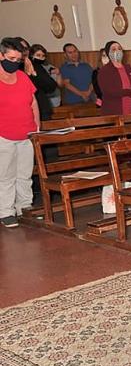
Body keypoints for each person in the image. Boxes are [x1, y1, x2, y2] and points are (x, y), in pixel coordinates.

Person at [0, 37, 39, 228]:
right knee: (6, 175)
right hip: (4, 135)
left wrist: (37, 127)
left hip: (27, 134)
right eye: (11, 58)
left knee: (24, 174)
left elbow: (33, 102)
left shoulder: (22, 77)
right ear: (1, 55)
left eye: (18, 60)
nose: (14, 63)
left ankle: (24, 206)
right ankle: (6, 211)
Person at [17, 38, 57, 122]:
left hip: (41, 108)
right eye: (20, 48)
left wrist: (34, 75)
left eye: (26, 48)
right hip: (21, 111)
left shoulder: (34, 64)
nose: (24, 51)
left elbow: (51, 86)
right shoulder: (10, 67)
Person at [97, 41, 131, 116]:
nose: (117, 51)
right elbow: (108, 91)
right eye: (114, 49)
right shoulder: (104, 71)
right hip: (113, 111)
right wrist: (129, 92)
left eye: (119, 49)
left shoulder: (129, 69)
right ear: (109, 53)